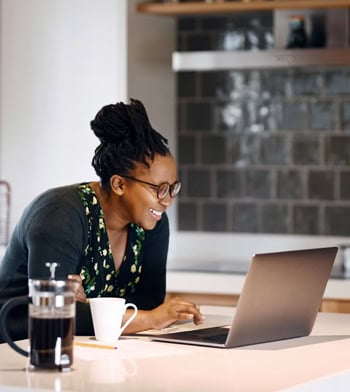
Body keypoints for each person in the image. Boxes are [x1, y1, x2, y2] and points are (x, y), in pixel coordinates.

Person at [0, 99, 204, 342]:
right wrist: (150, 319)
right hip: (18, 349)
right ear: (119, 184)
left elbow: (148, 301)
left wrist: (89, 306)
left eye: (172, 188)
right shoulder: (59, 216)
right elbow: (53, 313)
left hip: (84, 347)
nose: (167, 200)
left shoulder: (154, 223)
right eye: (159, 189)